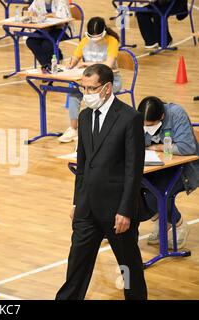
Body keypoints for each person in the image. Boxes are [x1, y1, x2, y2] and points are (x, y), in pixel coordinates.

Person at [56, 64, 147, 300]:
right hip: (87, 209)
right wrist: (77, 203)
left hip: (117, 211)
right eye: (83, 88)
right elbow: (82, 165)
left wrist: (125, 210)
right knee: (76, 268)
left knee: (129, 269)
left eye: (91, 88)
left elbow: (133, 170)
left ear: (107, 88)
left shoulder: (130, 118)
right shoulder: (85, 116)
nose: (86, 93)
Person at [138, 96, 198, 249]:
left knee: (154, 192)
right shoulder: (137, 118)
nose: (147, 128)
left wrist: (157, 147)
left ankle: (179, 224)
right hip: (154, 166)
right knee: (132, 187)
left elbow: (186, 148)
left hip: (183, 168)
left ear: (162, 117)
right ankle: (163, 221)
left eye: (150, 125)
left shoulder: (176, 114)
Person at [58, 16, 122, 143]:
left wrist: (87, 64)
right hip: (89, 83)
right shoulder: (84, 41)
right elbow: (76, 57)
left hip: (110, 82)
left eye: (97, 37)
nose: (95, 40)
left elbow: (108, 65)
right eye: (92, 37)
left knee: (95, 95)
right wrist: (72, 63)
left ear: (104, 32)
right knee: (73, 94)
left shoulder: (112, 41)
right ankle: (73, 129)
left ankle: (97, 130)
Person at [25, 0, 72, 73]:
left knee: (47, 43)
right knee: (31, 41)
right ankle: (46, 66)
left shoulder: (61, 1)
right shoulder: (38, 1)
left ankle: (56, 59)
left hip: (61, 29)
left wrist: (46, 16)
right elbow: (31, 11)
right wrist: (32, 14)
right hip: (45, 28)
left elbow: (63, 17)